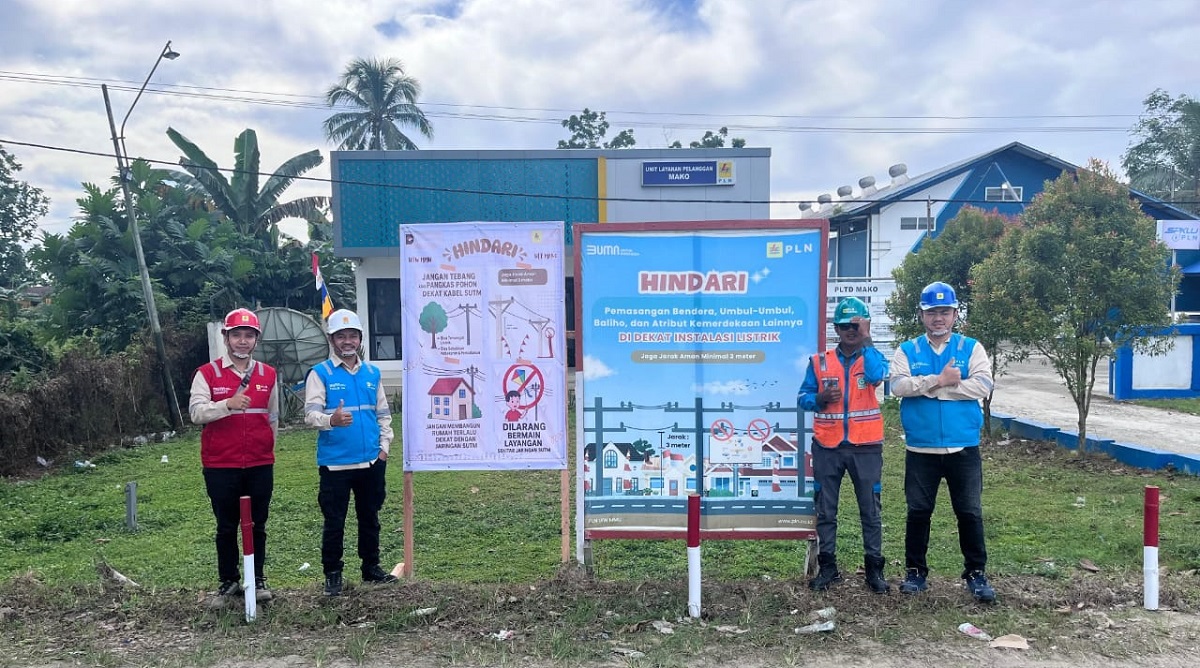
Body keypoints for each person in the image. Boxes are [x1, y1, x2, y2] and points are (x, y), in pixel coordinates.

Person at [890, 281, 997, 603]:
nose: (938, 318)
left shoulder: (971, 348)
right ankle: (915, 572)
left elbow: (983, 386)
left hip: (962, 446)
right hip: (920, 448)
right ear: (922, 315)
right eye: (932, 312)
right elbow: (898, 387)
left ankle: (976, 573)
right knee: (918, 511)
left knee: (969, 512)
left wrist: (933, 389)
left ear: (955, 314)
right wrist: (939, 379)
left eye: (945, 312)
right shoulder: (907, 350)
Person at [797, 297, 890, 593]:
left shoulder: (873, 356)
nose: (850, 331)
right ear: (836, 328)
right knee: (826, 510)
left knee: (870, 510)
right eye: (845, 326)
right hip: (828, 446)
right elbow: (803, 398)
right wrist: (819, 399)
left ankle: (874, 569)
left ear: (865, 327)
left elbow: (876, 377)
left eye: (856, 325)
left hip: (866, 447)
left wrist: (867, 339)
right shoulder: (820, 362)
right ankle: (828, 568)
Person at [304, 309, 399, 596]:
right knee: (334, 522)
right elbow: (310, 416)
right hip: (336, 466)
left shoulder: (372, 373)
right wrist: (331, 420)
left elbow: (383, 414)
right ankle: (333, 574)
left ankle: (371, 568)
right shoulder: (320, 373)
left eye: (353, 336)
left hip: (371, 462)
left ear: (360, 339)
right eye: (341, 336)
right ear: (331, 339)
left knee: (370, 518)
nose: (347, 341)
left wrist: (383, 450)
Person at [189, 308, 279, 606]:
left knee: (258, 524)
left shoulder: (268, 374)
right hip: (221, 464)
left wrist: (267, 449)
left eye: (248, 335)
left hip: (259, 463)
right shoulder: (207, 373)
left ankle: (258, 579)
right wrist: (227, 404)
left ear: (256, 339)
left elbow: (273, 418)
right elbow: (196, 413)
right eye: (236, 335)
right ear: (226, 338)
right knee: (226, 526)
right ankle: (228, 582)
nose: (242, 341)